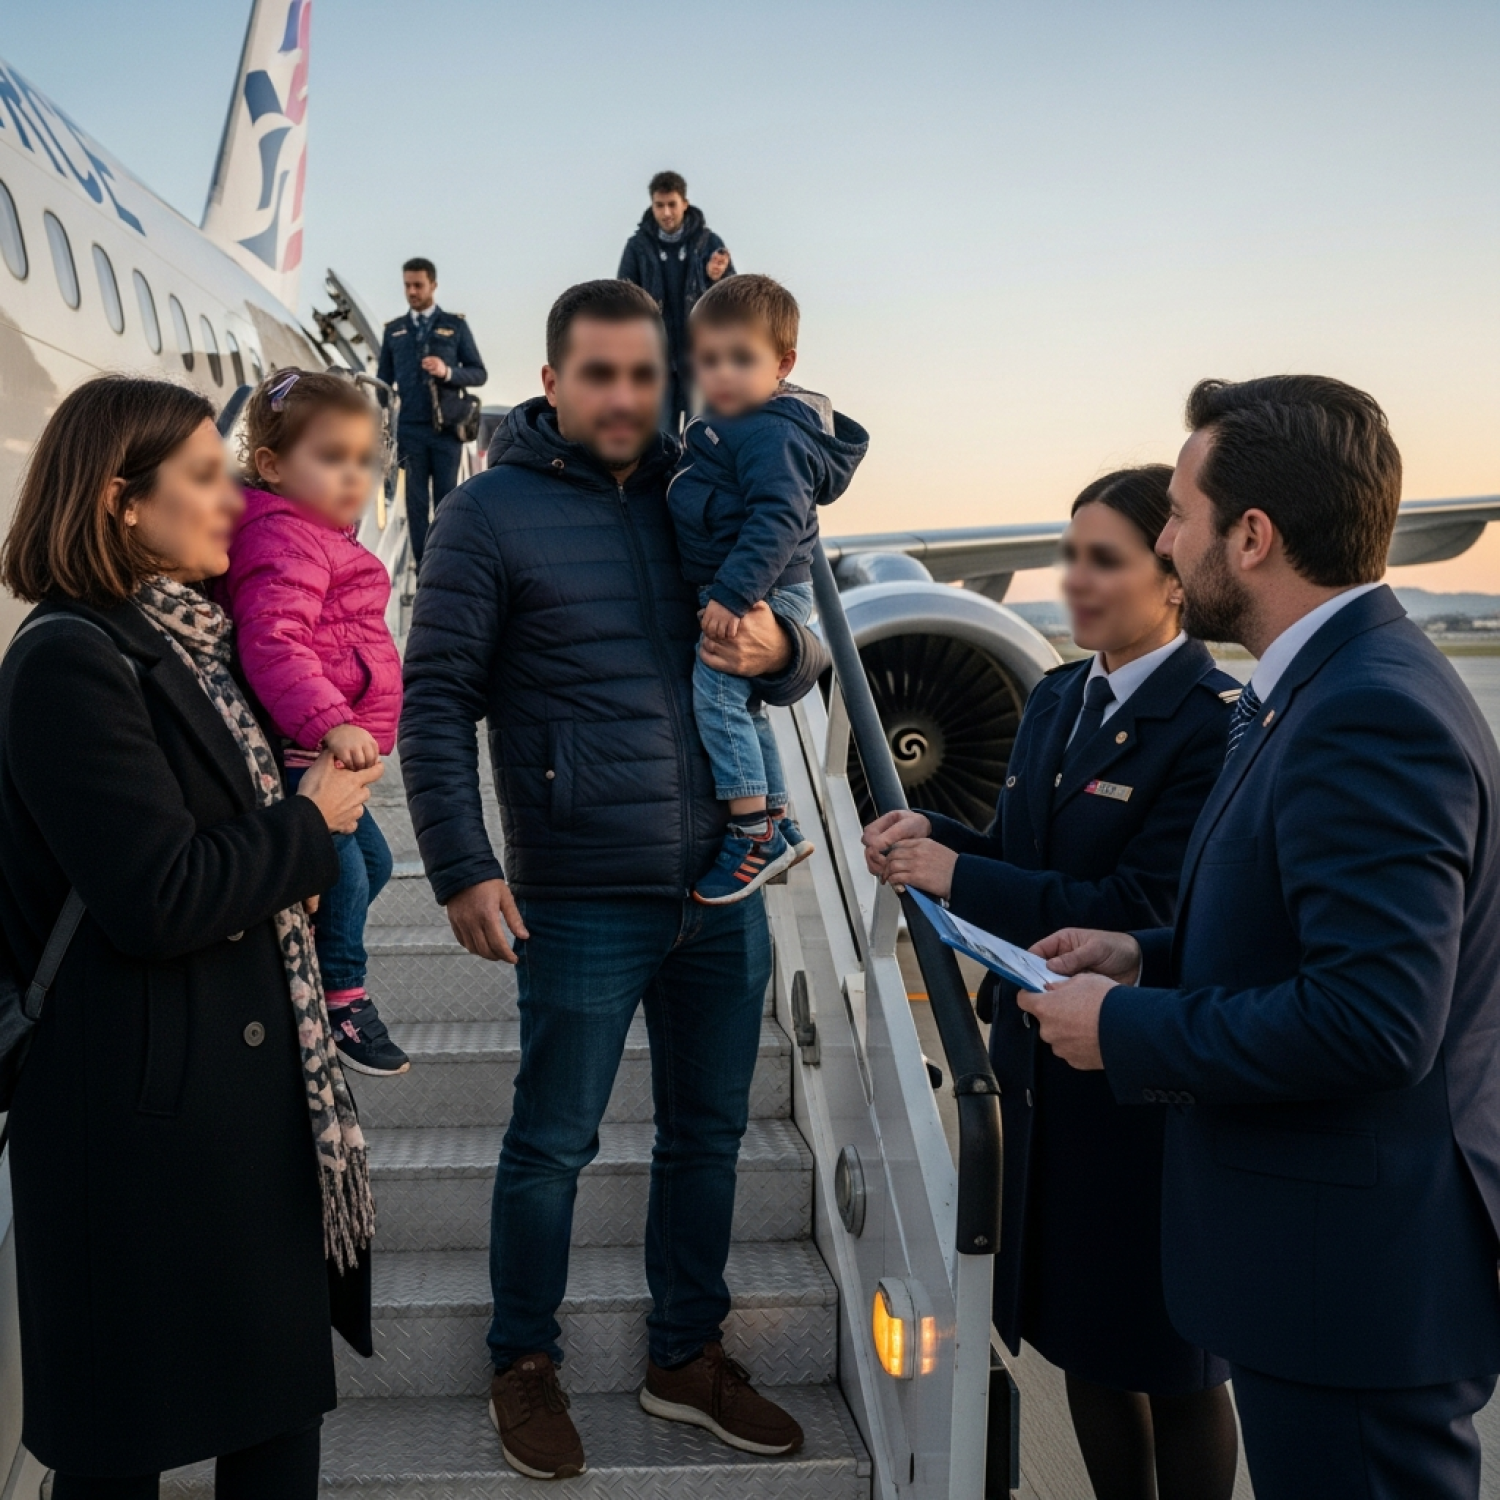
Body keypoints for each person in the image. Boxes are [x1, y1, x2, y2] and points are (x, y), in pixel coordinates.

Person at [1023, 376, 1500, 1500]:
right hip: (1319, 1273)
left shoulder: (1366, 712)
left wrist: (1127, 1027)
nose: (1168, 538)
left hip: (1353, 1290)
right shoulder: (1306, 692)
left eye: (1180, 514)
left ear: (1252, 535)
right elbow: (1304, 938)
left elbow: (1375, 1024)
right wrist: (1144, 956)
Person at [400, 279, 828, 1480]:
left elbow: (784, 666)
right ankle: (522, 1365)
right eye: (600, 374)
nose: (627, 396)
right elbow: (434, 701)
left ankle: (684, 1357)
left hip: (719, 886)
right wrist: (460, 864)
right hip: (580, 891)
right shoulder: (486, 514)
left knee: (710, 1136)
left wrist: (784, 645)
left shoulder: (706, 492)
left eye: (646, 375)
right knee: (553, 1143)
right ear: (551, 383)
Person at [0, 375, 381, 1497]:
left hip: (241, 1120)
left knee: (272, 1434)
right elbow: (155, 892)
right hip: (137, 1133)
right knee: (119, 1457)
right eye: (209, 479)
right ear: (123, 501)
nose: (240, 500)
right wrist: (311, 828)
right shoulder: (70, 659)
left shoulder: (204, 646)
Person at [862, 466, 1241, 1500]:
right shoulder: (1061, 697)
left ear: (1173, 578)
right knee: (1079, 1340)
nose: (1074, 580)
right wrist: (931, 837)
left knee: (1169, 1360)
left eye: (1105, 560)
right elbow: (1017, 853)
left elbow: (1140, 905)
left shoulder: (1212, 724)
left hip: (1136, 1078)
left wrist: (964, 873)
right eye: (1070, 555)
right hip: (1036, 1066)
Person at [216, 369, 409, 1076]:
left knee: (375, 863)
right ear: (270, 465)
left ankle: (301, 930)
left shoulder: (322, 538)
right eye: (331, 459)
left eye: (363, 461)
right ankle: (343, 1000)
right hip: (305, 744)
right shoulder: (283, 540)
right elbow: (273, 642)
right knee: (348, 874)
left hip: (322, 740)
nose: (353, 476)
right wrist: (331, 722)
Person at [670, 274, 868, 904]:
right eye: (708, 360)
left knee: (717, 694)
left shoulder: (771, 432)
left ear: (782, 365)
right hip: (750, 586)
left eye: (740, 359)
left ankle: (752, 832)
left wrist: (731, 595)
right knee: (743, 705)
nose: (720, 374)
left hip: (758, 592)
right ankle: (778, 819)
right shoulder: (738, 424)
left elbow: (778, 522)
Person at [375, 256, 487, 565]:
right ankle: (425, 569)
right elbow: (383, 382)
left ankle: (447, 564)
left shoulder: (455, 326)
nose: (412, 291)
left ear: (433, 285)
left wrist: (447, 371)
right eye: (407, 285)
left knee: (446, 502)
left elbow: (479, 373)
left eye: (418, 285)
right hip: (410, 429)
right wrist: (382, 422)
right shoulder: (394, 331)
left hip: (446, 430)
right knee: (415, 504)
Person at [618, 170, 734, 434]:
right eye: (660, 205)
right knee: (658, 440)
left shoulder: (709, 243)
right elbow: (621, 300)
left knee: (704, 438)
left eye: (672, 204)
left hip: (700, 360)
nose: (666, 212)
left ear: (685, 203)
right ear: (652, 205)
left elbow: (734, 296)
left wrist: (717, 278)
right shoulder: (637, 246)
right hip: (656, 360)